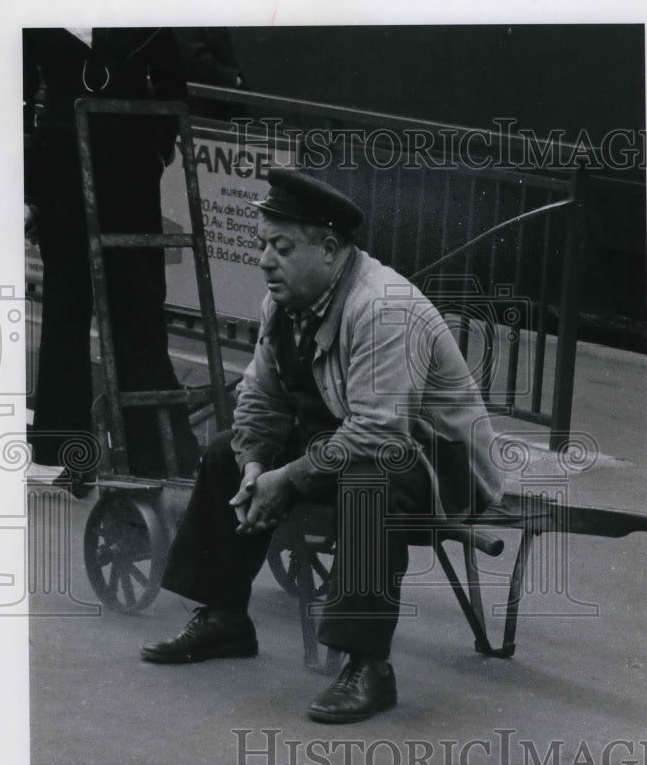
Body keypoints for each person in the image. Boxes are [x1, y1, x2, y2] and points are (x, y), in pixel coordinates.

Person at [141, 168, 504, 723]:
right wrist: (255, 466)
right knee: (222, 452)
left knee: (368, 479)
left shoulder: (383, 308)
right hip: (353, 438)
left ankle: (368, 668)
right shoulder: (284, 300)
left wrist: (286, 479)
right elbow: (260, 401)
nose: (264, 259)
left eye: (281, 247)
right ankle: (224, 618)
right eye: (263, 244)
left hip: (436, 466)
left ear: (330, 249)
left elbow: (382, 433)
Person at [24, 28, 200, 493]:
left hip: (129, 168)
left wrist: (155, 152)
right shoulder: (42, 11)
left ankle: (154, 456)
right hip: (60, 164)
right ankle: (69, 456)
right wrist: (28, 189)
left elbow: (170, 85)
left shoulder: (144, 10)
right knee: (66, 307)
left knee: (136, 306)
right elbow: (17, 97)